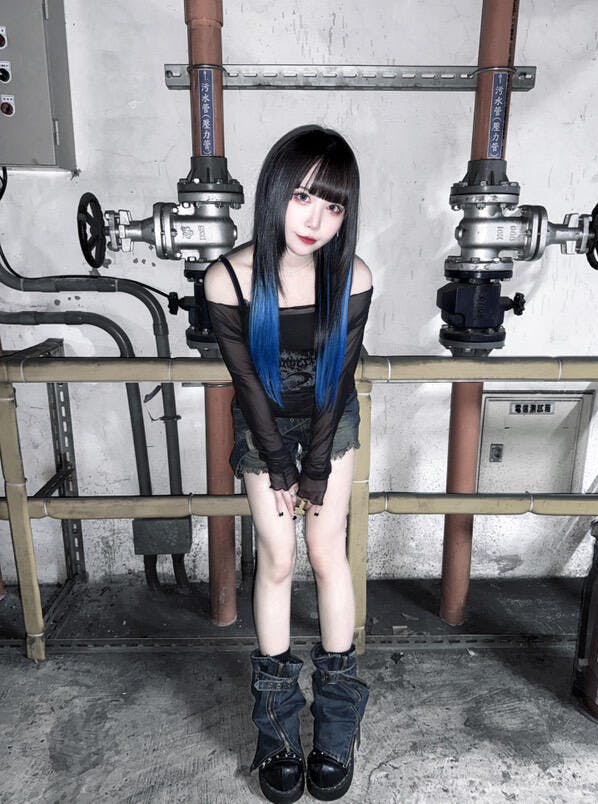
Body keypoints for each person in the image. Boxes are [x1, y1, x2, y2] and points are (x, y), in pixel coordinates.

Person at [205, 124, 372, 803]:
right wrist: (278, 463)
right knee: (277, 559)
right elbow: (245, 383)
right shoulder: (227, 278)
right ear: (276, 190)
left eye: (333, 205)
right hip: (264, 425)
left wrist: (317, 467)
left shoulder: (353, 276)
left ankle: (336, 727)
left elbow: (337, 379)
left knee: (328, 555)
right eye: (303, 196)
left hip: (331, 419)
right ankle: (275, 730)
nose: (315, 219)